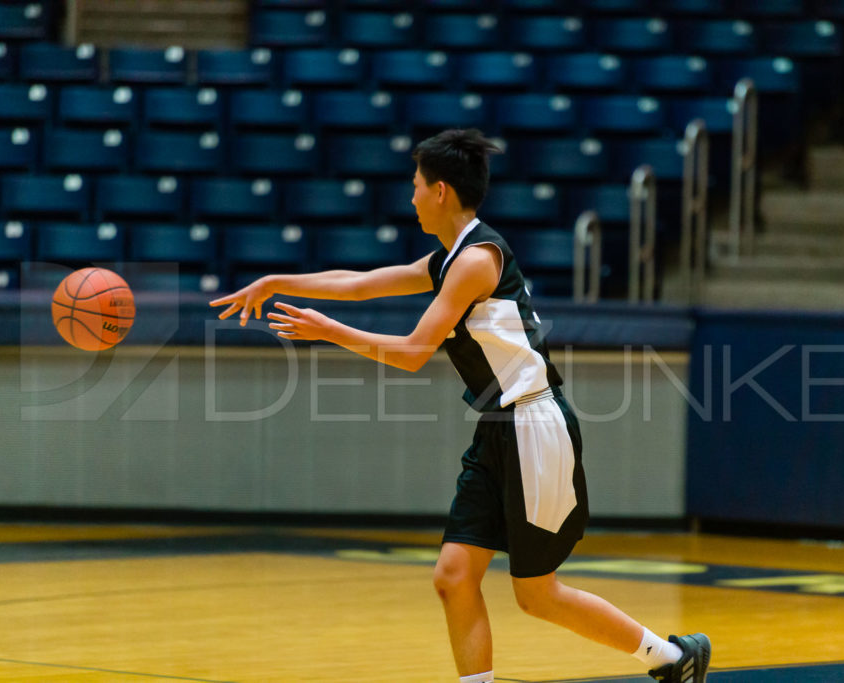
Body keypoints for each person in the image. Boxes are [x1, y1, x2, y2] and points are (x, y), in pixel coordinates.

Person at [209, 129, 710, 683]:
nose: (412, 196)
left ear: (441, 191)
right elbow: (361, 283)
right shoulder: (448, 259)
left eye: (416, 185)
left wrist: (328, 331)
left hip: (534, 426)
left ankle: (671, 658)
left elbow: (413, 353)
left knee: (537, 595)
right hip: (497, 429)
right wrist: (278, 281)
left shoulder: (477, 261)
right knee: (453, 576)